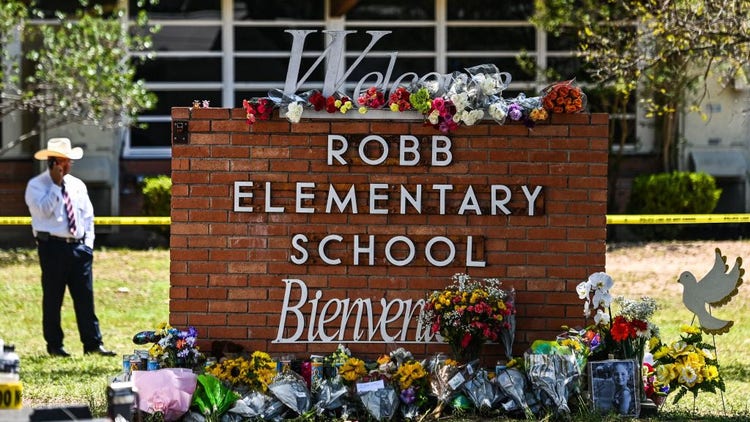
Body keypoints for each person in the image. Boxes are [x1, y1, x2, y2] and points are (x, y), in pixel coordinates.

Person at [24, 137, 116, 357]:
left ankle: (92, 343)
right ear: (55, 162)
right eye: (66, 161)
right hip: (52, 247)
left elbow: (88, 216)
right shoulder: (36, 186)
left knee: (85, 297)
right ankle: (55, 346)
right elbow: (44, 211)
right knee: (53, 298)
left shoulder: (77, 185)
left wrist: (88, 245)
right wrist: (56, 186)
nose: (70, 164)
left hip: (78, 248)